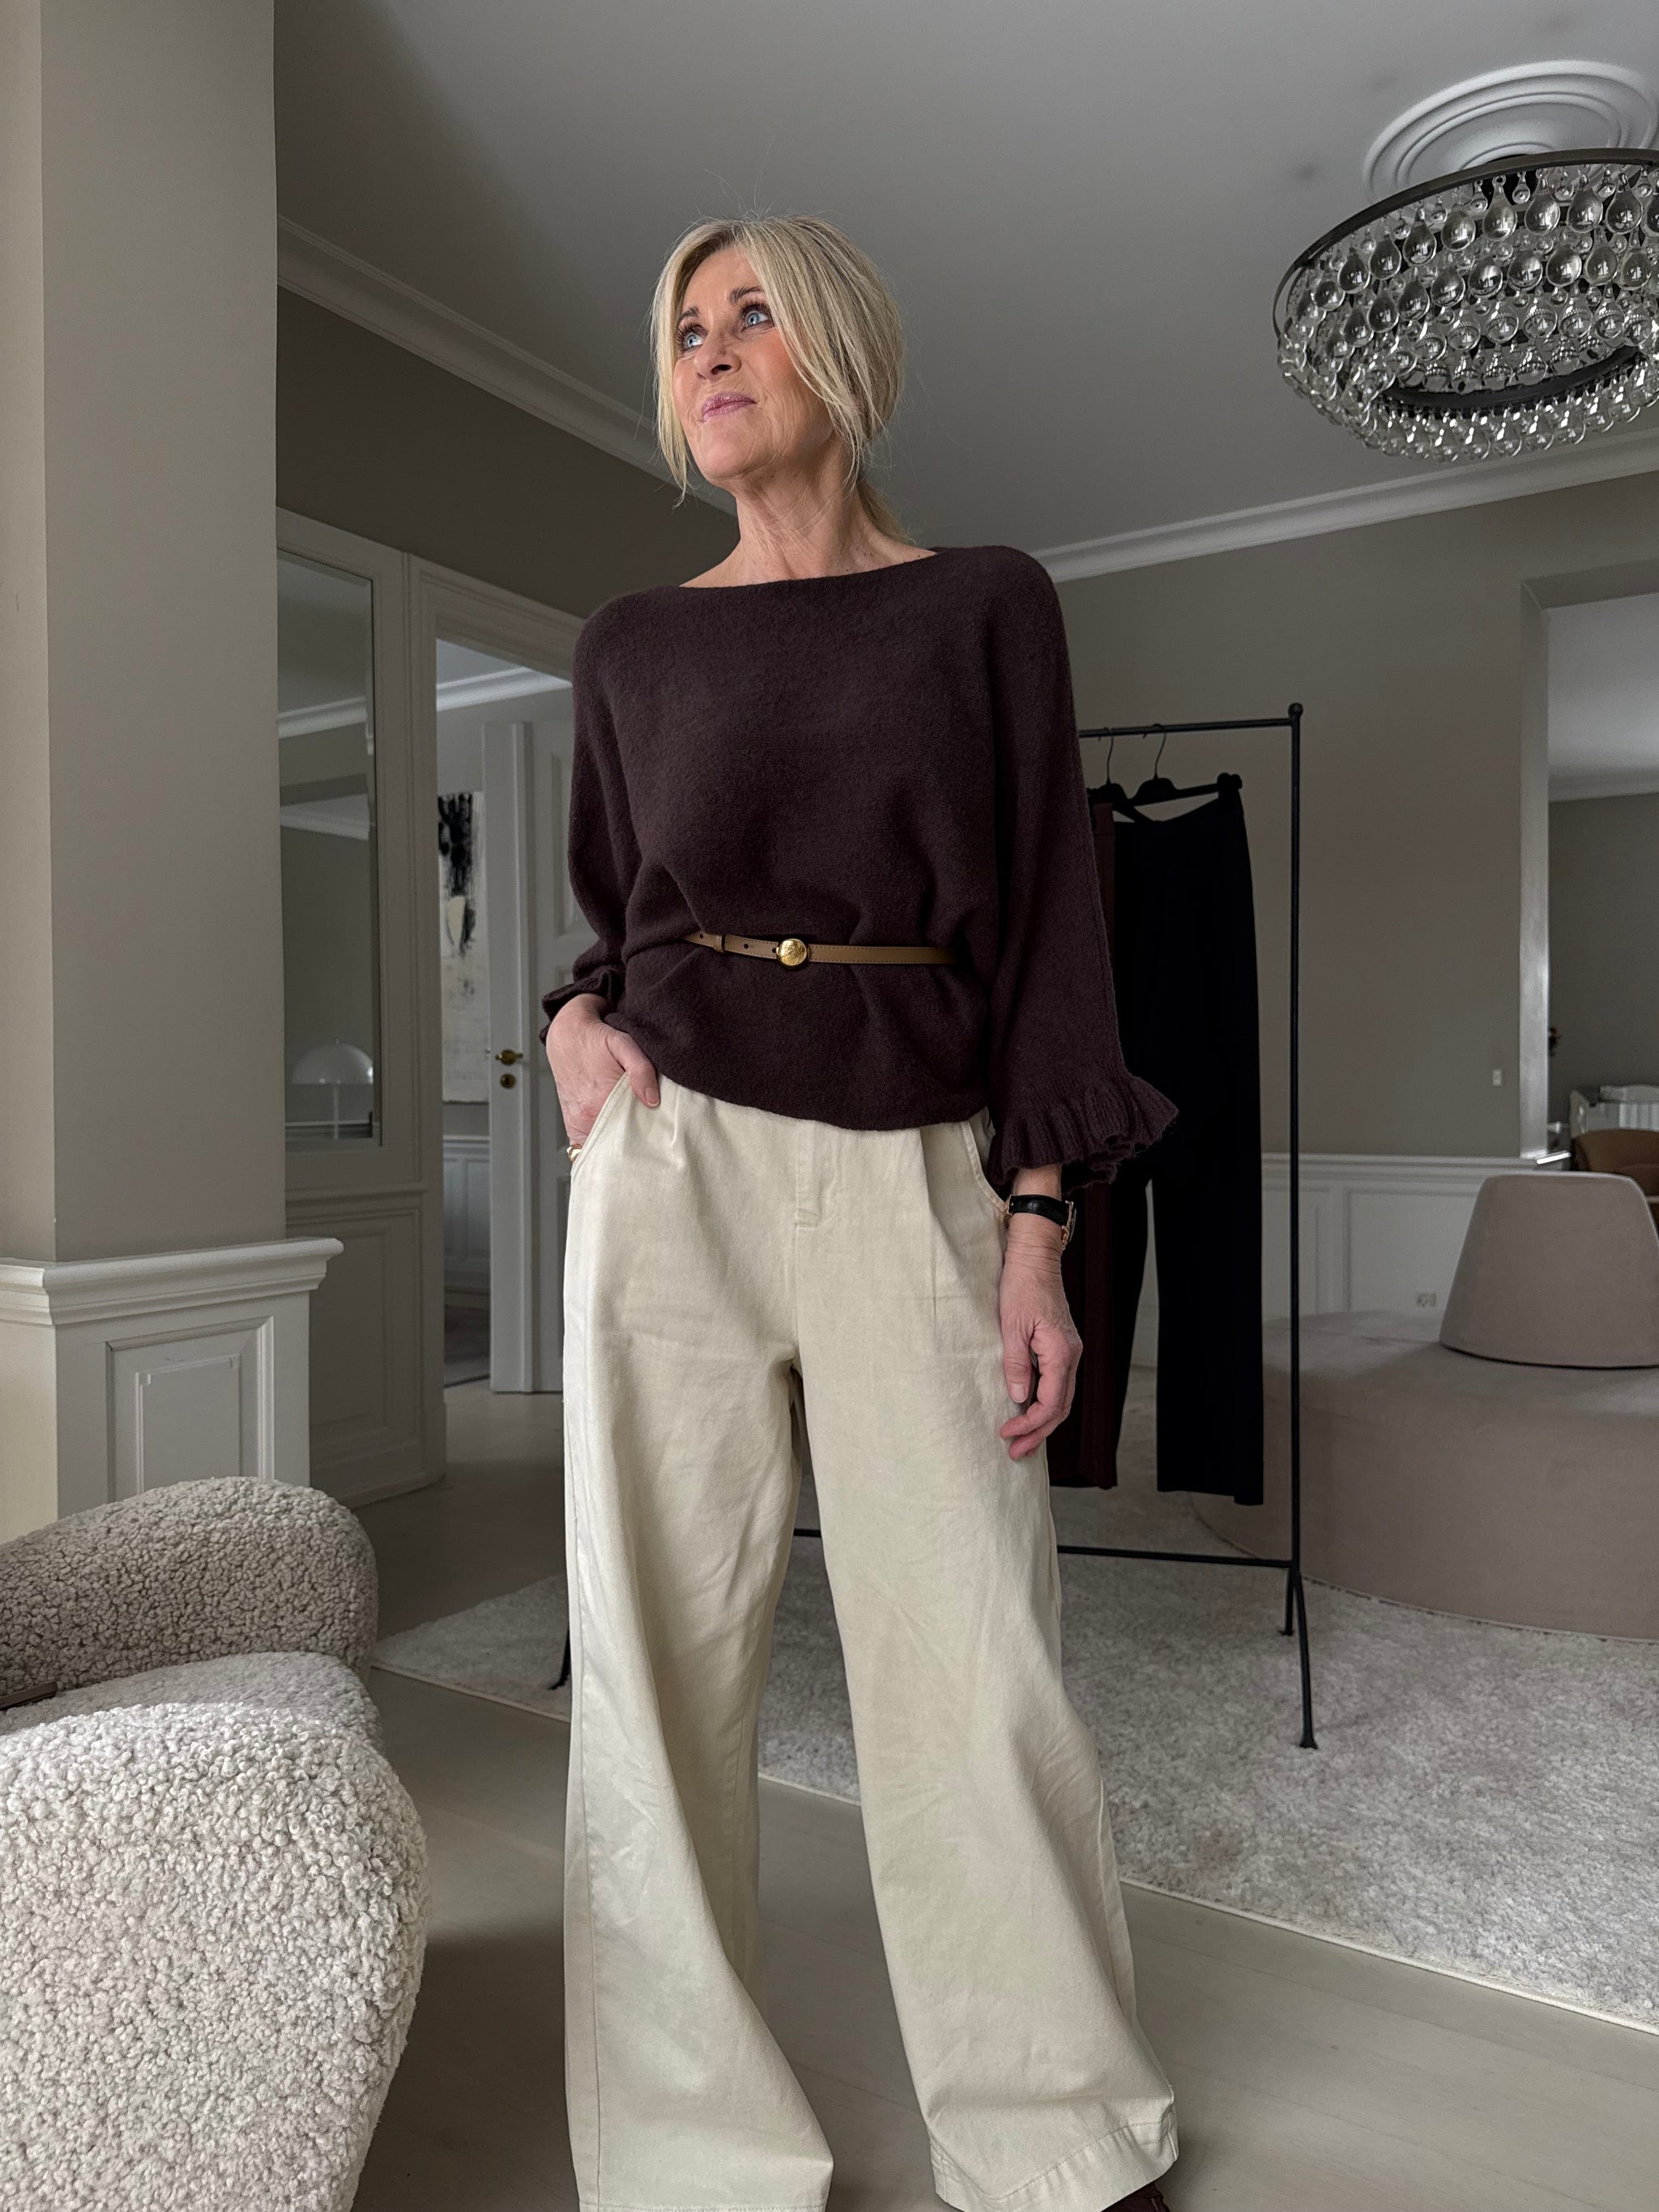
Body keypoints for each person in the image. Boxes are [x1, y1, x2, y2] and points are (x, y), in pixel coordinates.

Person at [541, 211, 1180, 2212]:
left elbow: (1053, 933)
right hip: (676, 1161)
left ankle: (1053, 2132)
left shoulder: (986, 605)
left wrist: (1037, 1223)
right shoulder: (632, 644)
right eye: (685, 330)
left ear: (840, 349)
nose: (712, 352)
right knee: (653, 1660)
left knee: (975, 1653)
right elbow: (613, 916)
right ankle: (691, 2159)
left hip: (921, 1157)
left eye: (752, 314)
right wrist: (565, 1018)